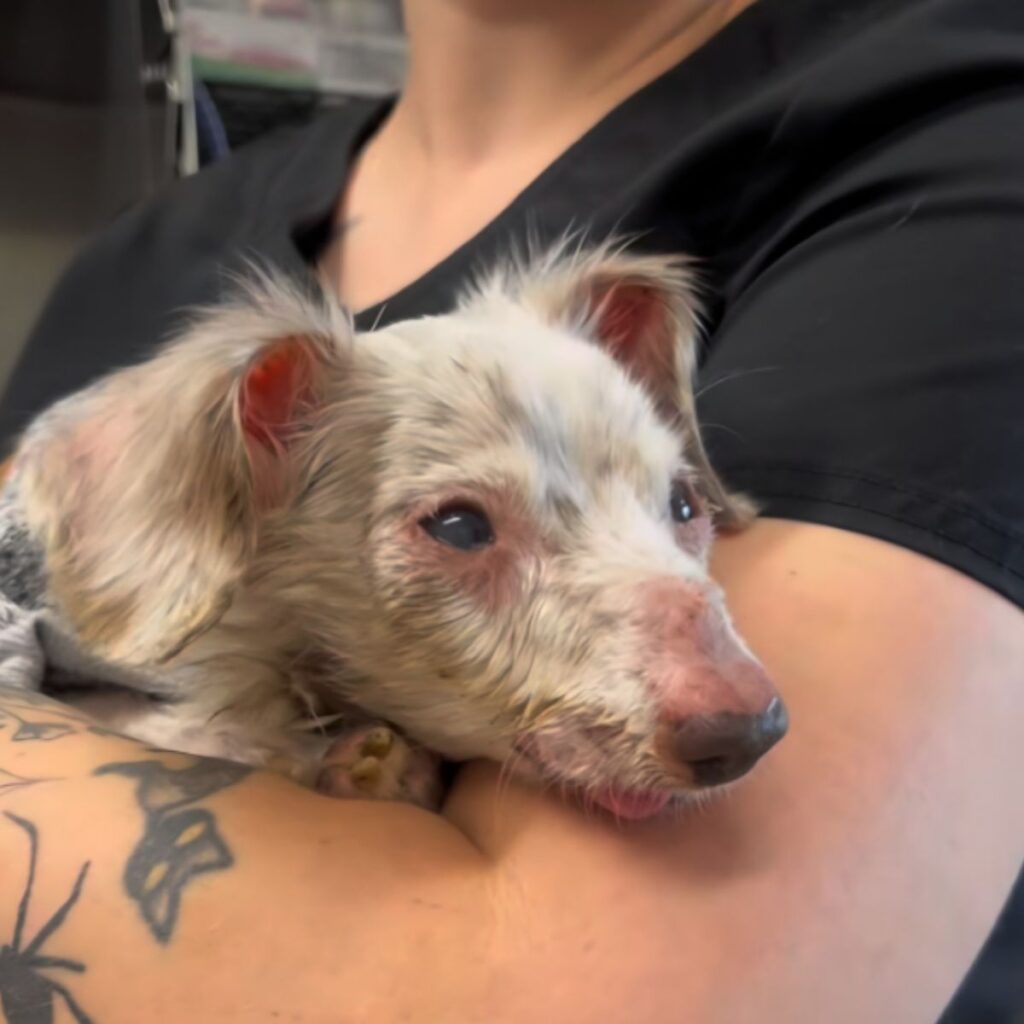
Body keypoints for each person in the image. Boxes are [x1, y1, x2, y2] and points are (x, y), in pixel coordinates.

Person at [0, 0, 1021, 1020]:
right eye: (459, 525)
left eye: (677, 502)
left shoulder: (954, 143)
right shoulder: (130, 263)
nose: (729, 696)